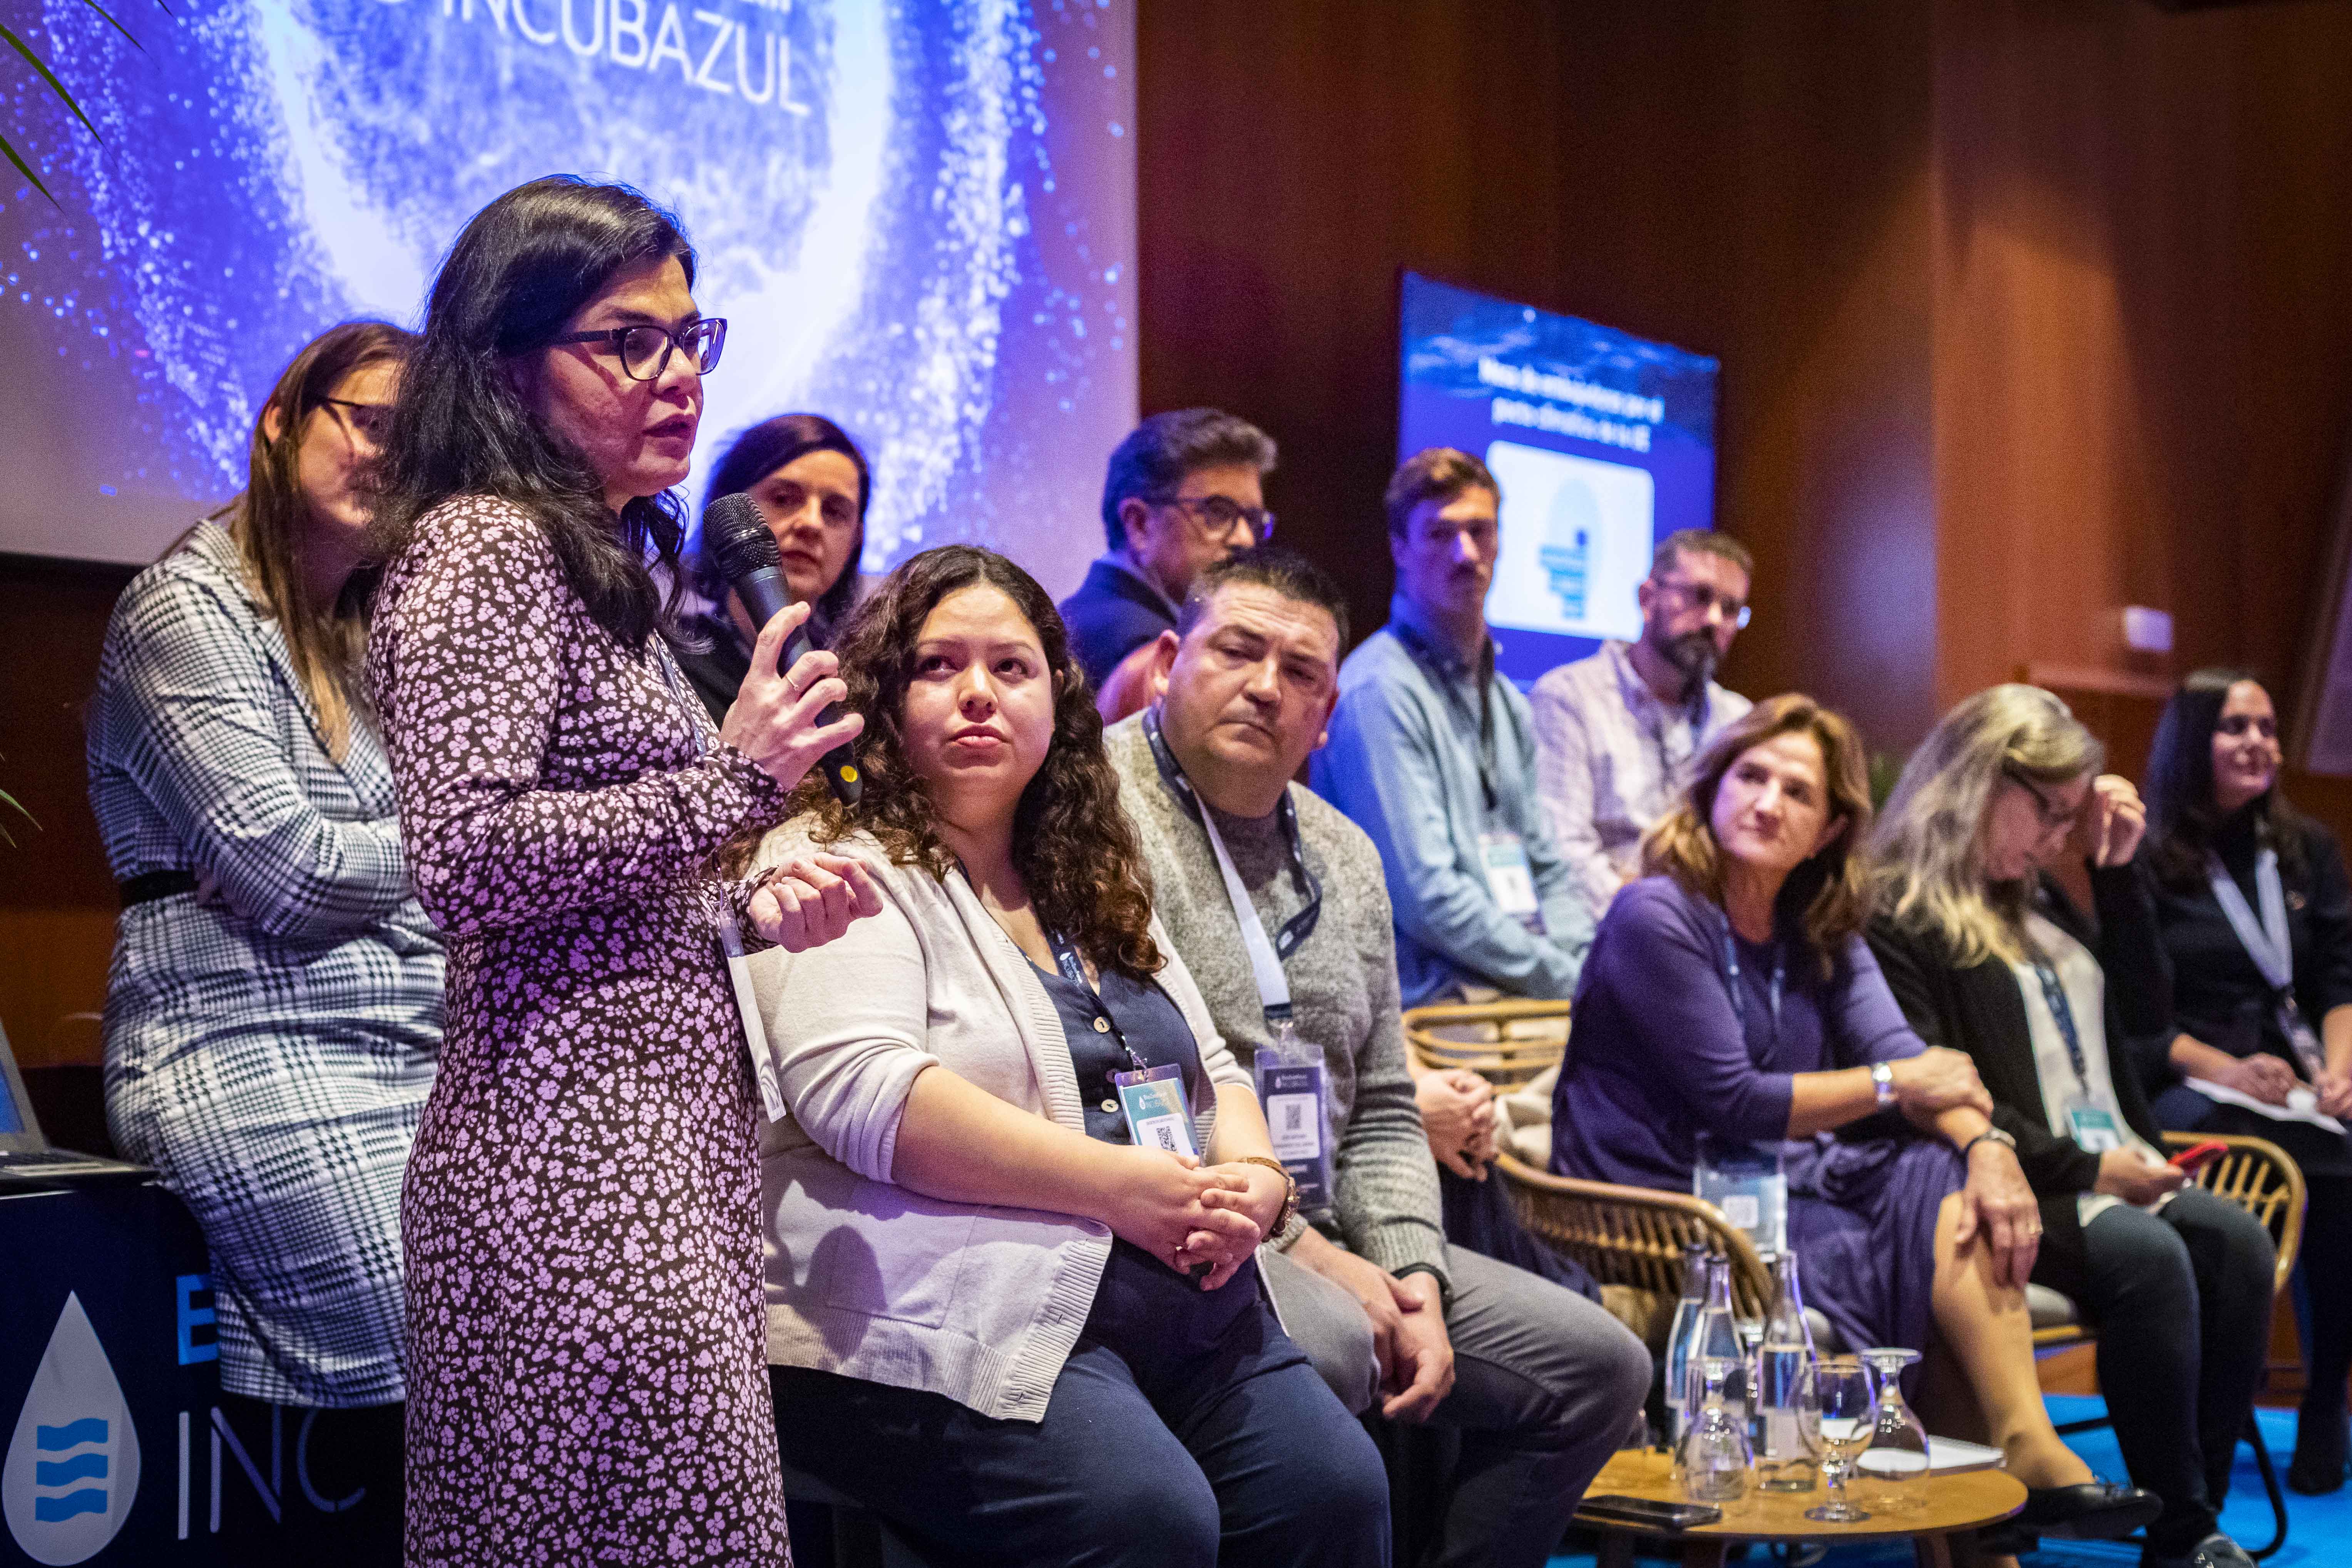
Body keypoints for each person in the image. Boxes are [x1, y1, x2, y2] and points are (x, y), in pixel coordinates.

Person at [367, 176, 880, 1566]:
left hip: (656, 1167)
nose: (675, 378)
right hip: (565, 1181)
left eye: (688, 337)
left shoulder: (590, 565)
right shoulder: (486, 545)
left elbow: (595, 897)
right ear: (505, 361)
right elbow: (467, 861)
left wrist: (743, 910)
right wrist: (735, 780)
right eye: (624, 341)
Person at [743, 546, 1388, 1568]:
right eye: (936, 666)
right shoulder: (833, 854)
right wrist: (1124, 1188)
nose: (975, 697)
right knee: (1145, 1518)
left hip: (1179, 1291)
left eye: (1009, 668)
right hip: (958, 1301)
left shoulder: (1085, 867)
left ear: (1056, 698)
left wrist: (1257, 1182)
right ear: (880, 695)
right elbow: (862, 1096)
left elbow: (1211, 1068)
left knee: (1337, 1497)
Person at [1106, 546, 1651, 1568]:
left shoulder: (1346, 853)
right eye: (1237, 650)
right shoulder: (1088, 814)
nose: (1266, 687)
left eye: (1302, 674)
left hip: (1337, 1230)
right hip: (1186, 1233)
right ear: (1171, 659)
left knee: (1598, 1368)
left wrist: (1414, 1276)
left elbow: (1389, 1106)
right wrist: (1316, 1257)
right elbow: (1124, 1079)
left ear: (1324, 716)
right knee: (1340, 1343)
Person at [1553, 693, 2158, 1541]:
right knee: (1920, 1248)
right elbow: (1737, 1095)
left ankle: (2008, 1473)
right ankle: (1989, 1520)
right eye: (1750, 776)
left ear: (1831, 826)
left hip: (1777, 1185)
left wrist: (1987, 1147)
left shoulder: (1819, 923)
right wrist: (1895, 1080)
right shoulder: (1654, 912)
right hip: (1660, 1198)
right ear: (1712, 787)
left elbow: (1921, 1060)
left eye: (1796, 792)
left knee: (1937, 1179)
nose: (1766, 801)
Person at [87, 320, 439, 1557]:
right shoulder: (181, 609)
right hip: (239, 1039)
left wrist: (383, 865)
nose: (395, 461)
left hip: (412, 1034)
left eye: (422, 442)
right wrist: (456, 855)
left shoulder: (374, 626)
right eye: (373, 424)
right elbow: (287, 874)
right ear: (283, 420)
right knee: (428, 1328)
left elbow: (349, 862)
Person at [1867, 685, 2274, 1568]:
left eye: (2068, 816)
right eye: (2047, 811)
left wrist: (2116, 872)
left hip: (2102, 1166)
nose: (2058, 835)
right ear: (1979, 782)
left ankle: (2189, 1508)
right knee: (2150, 1255)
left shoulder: (2037, 893)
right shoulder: (1900, 913)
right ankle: (2178, 1525)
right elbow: (1945, 1088)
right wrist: (2089, 1168)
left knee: (2235, 1243)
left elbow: (2141, 1022)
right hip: (2005, 1179)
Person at [2131, 669, 2352, 1495]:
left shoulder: (2305, 848)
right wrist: (2228, 1069)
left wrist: (2339, 1069)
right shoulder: (2147, 858)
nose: (2258, 740)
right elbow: (2137, 1022)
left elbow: (2337, 979)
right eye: (2234, 726)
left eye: (2266, 724)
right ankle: (2239, 1379)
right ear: (2192, 743)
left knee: (2338, 1147)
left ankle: (2324, 1392)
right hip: (2191, 1076)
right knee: (2310, 1157)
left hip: (2301, 1076)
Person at [1312, 447, 1593, 1008]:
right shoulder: (1379, 691)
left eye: (1479, 531)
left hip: (1515, 990)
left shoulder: (1506, 699)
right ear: (1400, 548)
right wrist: (1567, 981)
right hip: (1432, 1005)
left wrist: (1585, 961)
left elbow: (1544, 862)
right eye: (1439, 534)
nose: (1465, 554)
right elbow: (1427, 899)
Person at [1530, 527, 1755, 919]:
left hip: (1710, 934)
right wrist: (1652, 922)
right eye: (1699, 596)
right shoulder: (1569, 697)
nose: (1713, 619)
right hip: (1605, 933)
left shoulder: (1738, 719)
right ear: (1647, 598)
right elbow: (1563, 849)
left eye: (1730, 608)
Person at [1058, 407, 1276, 718]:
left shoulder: (1088, 614)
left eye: (1252, 519)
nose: (1245, 539)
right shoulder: (1140, 646)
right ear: (1140, 525)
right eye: (1217, 512)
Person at [669, 412, 871, 726]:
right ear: (731, 510)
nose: (811, 523)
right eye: (783, 498)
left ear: (856, 539)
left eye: (834, 511)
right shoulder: (668, 658)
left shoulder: (863, 683)